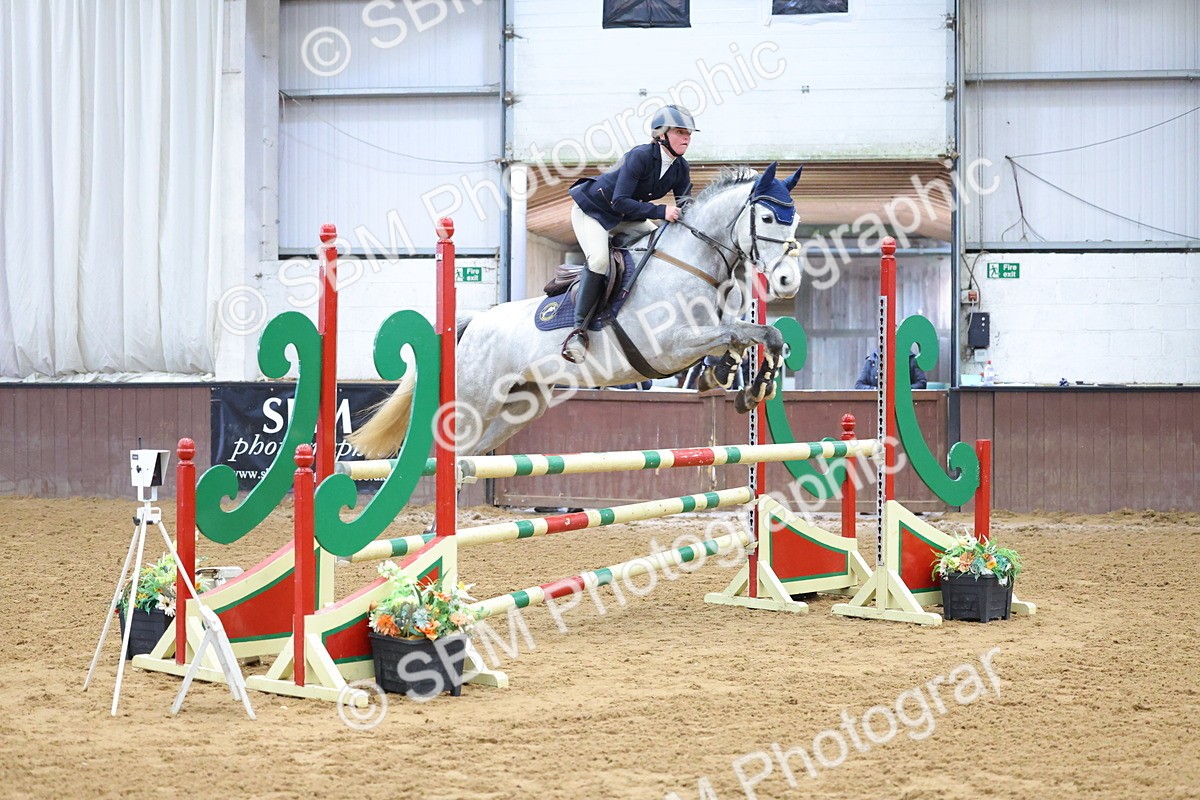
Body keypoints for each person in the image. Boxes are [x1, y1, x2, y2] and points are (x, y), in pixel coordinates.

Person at [561, 104, 698, 363]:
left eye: (689, 133)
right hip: (594, 212)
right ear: (661, 134)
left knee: (661, 247)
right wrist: (661, 210)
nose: (687, 138)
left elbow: (685, 204)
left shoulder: (680, 167)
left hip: (626, 218)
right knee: (599, 260)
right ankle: (578, 331)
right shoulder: (640, 156)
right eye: (680, 132)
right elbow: (619, 201)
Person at [855, 348, 928, 390]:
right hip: (877, 404)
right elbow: (859, 385)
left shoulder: (911, 359)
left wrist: (903, 391)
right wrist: (877, 390)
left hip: (904, 403)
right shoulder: (873, 359)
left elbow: (922, 383)